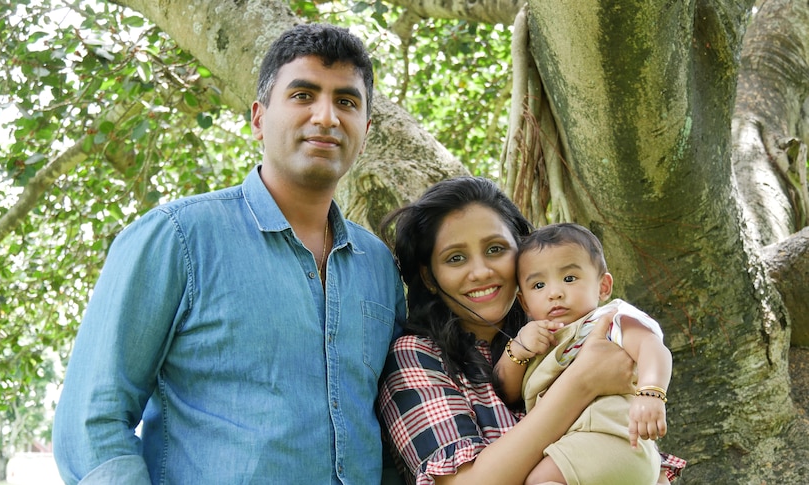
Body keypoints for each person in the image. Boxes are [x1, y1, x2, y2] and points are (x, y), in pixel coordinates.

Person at [53, 23, 406, 484]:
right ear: (259, 118)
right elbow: (91, 423)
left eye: (346, 101)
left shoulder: (379, 264)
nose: (326, 116)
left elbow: (391, 423)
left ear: (365, 126)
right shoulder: (176, 239)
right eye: (303, 95)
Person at [377, 177, 684, 485]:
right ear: (430, 278)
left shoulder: (567, 332)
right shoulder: (417, 356)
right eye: (456, 258)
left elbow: (638, 455)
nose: (482, 271)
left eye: (496, 249)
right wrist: (581, 382)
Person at [494, 222, 675, 485]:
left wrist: (651, 392)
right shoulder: (537, 340)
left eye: (569, 279)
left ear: (603, 286)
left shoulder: (608, 320)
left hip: (613, 440)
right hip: (572, 448)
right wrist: (519, 348)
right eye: (539, 285)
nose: (554, 293)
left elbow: (652, 347)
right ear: (524, 303)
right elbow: (507, 392)